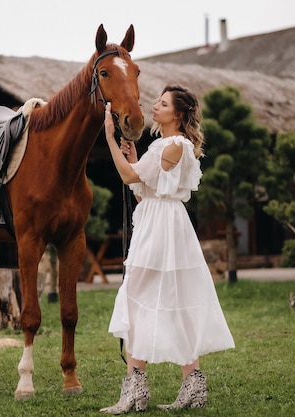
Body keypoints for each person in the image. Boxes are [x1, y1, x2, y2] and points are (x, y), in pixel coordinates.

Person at [100, 85, 235, 414]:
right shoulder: (162, 145)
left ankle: (136, 388)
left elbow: (129, 174)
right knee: (168, 301)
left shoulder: (174, 145)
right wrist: (134, 158)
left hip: (161, 229)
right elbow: (143, 192)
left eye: (162, 104)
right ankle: (191, 386)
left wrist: (109, 140)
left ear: (177, 114)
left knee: (138, 299)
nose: (155, 107)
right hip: (158, 222)